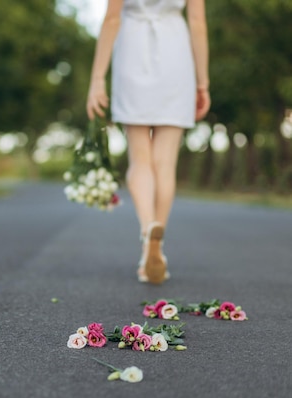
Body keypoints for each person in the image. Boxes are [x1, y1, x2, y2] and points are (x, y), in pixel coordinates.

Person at [86, 0, 211, 284]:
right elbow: (198, 24)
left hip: (132, 52)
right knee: (164, 163)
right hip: (175, 56)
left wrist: (97, 80)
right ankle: (157, 247)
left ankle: (147, 233)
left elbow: (111, 20)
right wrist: (202, 82)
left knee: (140, 160)